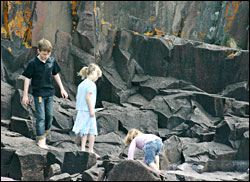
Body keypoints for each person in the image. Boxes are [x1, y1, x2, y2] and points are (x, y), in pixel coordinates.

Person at [22, 38, 68, 149]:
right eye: (43, 54)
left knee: (50, 116)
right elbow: (27, 78)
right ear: (38, 51)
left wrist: (62, 89)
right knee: (41, 117)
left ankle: (44, 134)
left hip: (50, 93)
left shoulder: (51, 61)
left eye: (47, 54)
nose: (45, 56)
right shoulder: (33, 63)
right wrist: (25, 95)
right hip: (39, 94)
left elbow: (56, 74)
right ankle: (41, 140)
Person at [72, 63, 102, 158]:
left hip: (81, 110)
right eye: (97, 75)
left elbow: (77, 97)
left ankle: (83, 149)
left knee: (84, 131)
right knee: (92, 131)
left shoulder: (81, 84)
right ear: (94, 74)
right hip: (88, 110)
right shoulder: (92, 85)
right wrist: (91, 110)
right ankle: (91, 150)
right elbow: (88, 97)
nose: (97, 78)